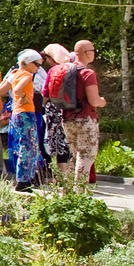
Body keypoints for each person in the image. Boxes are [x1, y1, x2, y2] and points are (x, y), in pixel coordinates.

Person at [62, 38, 108, 185]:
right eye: (93, 51)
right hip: (85, 119)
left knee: (74, 156)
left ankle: (67, 191)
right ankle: (80, 193)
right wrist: (102, 101)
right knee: (86, 156)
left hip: (67, 119)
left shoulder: (65, 70)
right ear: (88, 53)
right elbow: (94, 100)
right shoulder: (87, 73)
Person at [1, 48, 44, 191]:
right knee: (29, 146)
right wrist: (24, 97)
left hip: (16, 113)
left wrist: (8, 78)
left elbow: (0, 90)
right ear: (27, 63)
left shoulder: (15, 74)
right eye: (36, 64)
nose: (38, 68)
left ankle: (25, 178)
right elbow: (18, 89)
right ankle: (24, 181)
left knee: (22, 146)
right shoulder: (27, 75)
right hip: (26, 113)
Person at [40, 44, 73, 180]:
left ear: (53, 57)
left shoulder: (54, 70)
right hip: (71, 109)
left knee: (58, 142)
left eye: (48, 58)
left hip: (54, 109)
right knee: (68, 141)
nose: (47, 61)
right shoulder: (72, 68)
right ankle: (71, 175)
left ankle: (60, 177)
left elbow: (46, 92)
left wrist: (43, 105)